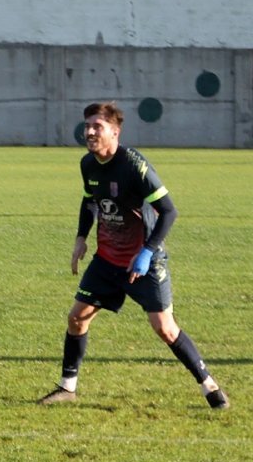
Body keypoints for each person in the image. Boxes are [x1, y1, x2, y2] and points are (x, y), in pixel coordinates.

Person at [38, 101, 229, 409]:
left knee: (165, 329)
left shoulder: (134, 165)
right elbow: (90, 201)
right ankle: (67, 388)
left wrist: (146, 253)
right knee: (77, 318)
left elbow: (169, 211)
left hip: (144, 262)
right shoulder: (88, 164)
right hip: (107, 260)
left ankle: (210, 387)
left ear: (115, 131)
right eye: (87, 125)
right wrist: (80, 238)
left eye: (96, 126)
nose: (89, 132)